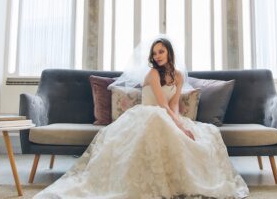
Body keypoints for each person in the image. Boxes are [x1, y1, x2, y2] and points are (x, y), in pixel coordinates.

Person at [34, 37, 249, 198]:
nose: (157, 56)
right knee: (159, 122)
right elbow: (161, 104)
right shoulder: (153, 74)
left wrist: (181, 122)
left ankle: (182, 181)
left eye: (161, 51)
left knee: (205, 134)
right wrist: (177, 125)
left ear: (169, 53)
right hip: (149, 114)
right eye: (154, 53)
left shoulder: (179, 76)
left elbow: (173, 104)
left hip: (167, 115)